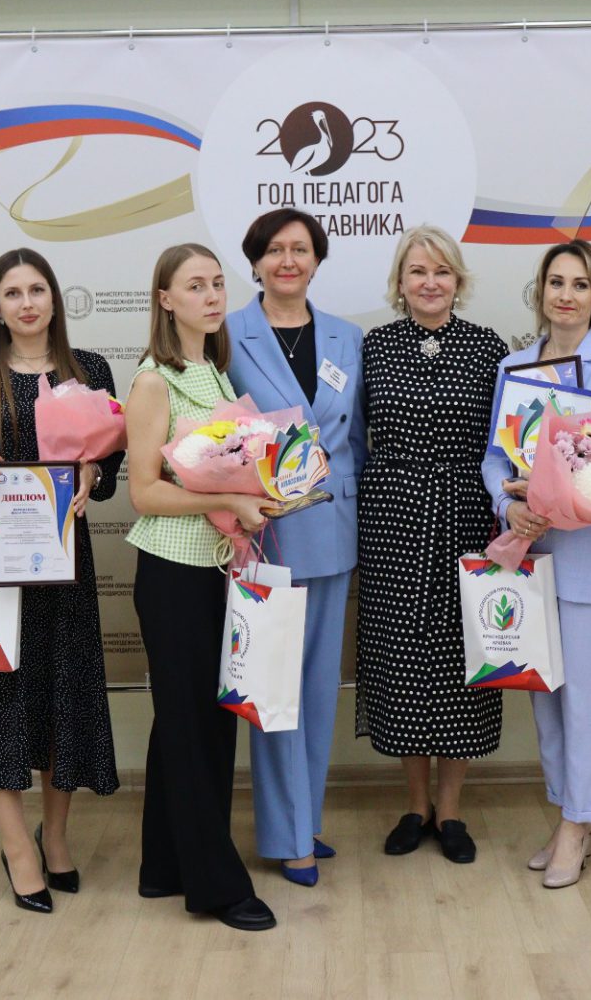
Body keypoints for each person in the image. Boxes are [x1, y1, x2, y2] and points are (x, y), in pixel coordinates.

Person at [0, 248, 123, 913]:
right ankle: (17, 847)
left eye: (37, 289)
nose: (26, 303)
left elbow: (112, 462)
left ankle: (58, 836)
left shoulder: (89, 370)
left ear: (54, 298)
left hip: (62, 561)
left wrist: (93, 474)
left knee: (60, 694)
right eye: (12, 293)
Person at [480, 240, 591, 886]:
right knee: (545, 703)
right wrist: (509, 503)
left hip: (587, 562)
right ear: (541, 291)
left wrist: (564, 494)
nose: (567, 295)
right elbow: (496, 458)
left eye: (580, 284)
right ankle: (566, 815)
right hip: (528, 555)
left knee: (582, 705)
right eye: (556, 282)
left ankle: (579, 824)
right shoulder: (514, 365)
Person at [124, 243, 277, 930]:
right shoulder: (153, 382)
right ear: (165, 300)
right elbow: (145, 492)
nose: (212, 296)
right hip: (173, 572)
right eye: (195, 286)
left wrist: (265, 493)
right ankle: (218, 886)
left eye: (217, 283)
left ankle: (163, 865)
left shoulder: (212, 371)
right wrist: (231, 503)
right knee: (195, 730)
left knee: (191, 723)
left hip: (216, 567)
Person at [357, 225, 508, 864]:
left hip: (466, 517)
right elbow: (354, 435)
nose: (430, 282)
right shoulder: (374, 347)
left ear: (459, 280)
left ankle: (450, 810)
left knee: (460, 661)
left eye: (442, 271)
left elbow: (507, 442)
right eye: (417, 271)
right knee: (401, 660)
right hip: (391, 520)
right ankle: (415, 805)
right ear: (400, 281)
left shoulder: (488, 347)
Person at [224, 208, 366, 886]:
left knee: (317, 688)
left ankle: (304, 818)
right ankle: (286, 837)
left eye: (301, 249)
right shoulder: (228, 334)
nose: (288, 260)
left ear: (317, 259)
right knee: (273, 687)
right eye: (275, 250)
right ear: (255, 262)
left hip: (332, 532)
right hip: (267, 534)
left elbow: (356, 440)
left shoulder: (346, 336)